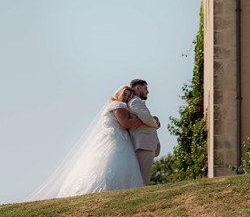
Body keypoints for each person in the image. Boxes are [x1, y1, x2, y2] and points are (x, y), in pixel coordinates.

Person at [28, 85, 158, 200]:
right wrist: (145, 120)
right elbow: (124, 124)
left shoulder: (110, 106)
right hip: (116, 140)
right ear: (119, 93)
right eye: (125, 94)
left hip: (111, 138)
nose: (126, 97)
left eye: (128, 96)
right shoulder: (118, 106)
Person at [127, 79, 161, 185]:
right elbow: (146, 118)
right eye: (145, 88)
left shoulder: (135, 102)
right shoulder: (135, 101)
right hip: (143, 144)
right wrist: (156, 122)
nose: (147, 91)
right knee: (143, 178)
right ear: (138, 88)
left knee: (144, 176)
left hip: (145, 143)